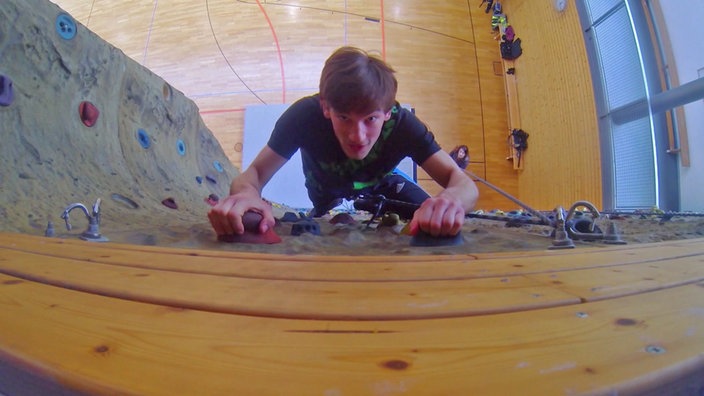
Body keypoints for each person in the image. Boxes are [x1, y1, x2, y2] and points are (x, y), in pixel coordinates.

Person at [208, 46, 478, 238]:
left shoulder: (403, 125)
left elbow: (461, 181)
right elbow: (254, 174)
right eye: (344, 117)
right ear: (326, 107)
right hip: (328, 198)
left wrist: (450, 200)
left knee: (433, 219)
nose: (357, 136)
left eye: (370, 119)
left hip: (383, 188)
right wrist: (246, 195)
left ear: (387, 112)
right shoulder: (304, 116)